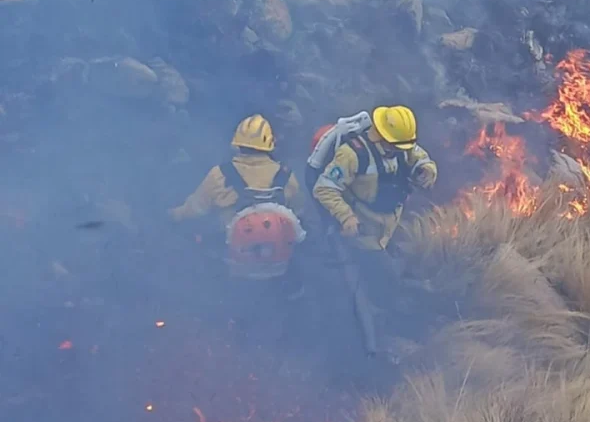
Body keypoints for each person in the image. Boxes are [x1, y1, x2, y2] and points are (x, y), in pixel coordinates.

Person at [310, 105, 437, 357]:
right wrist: (346, 217)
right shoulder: (351, 155)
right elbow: (324, 188)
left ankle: (395, 303)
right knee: (384, 282)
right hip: (364, 233)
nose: (402, 151)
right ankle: (381, 334)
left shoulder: (401, 145)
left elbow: (420, 156)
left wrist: (427, 170)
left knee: (396, 270)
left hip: (391, 225)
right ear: (380, 136)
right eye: (396, 146)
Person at [169, 114, 306, 281]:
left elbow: (196, 208)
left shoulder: (219, 175)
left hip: (234, 260)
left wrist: (174, 215)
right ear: (270, 145)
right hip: (279, 261)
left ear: (237, 144)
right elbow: (298, 211)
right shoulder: (286, 176)